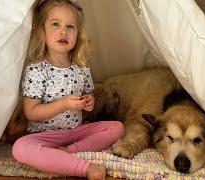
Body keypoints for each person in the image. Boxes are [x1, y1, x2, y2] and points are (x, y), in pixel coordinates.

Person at [12, 0, 124, 179]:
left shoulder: (81, 68)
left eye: (70, 26)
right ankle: (84, 167)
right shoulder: (37, 69)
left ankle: (68, 151)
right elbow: (31, 113)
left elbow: (88, 98)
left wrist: (88, 101)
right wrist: (63, 104)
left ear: (77, 34)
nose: (63, 31)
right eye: (55, 24)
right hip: (45, 135)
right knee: (20, 148)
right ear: (42, 31)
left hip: (75, 132)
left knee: (117, 128)